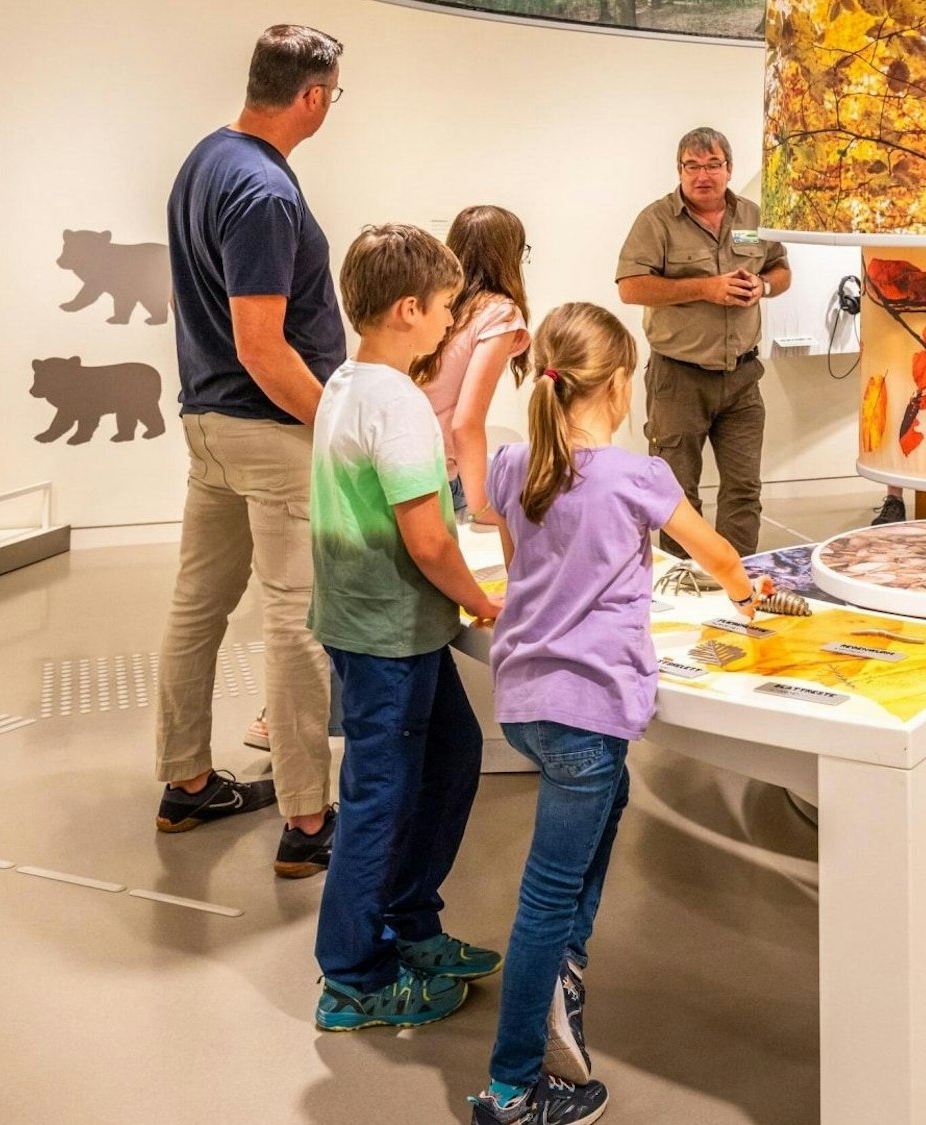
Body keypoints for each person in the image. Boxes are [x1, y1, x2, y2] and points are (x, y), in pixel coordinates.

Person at [467, 303, 766, 1124]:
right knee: (546, 895)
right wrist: (747, 596)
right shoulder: (640, 477)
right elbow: (717, 552)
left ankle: (564, 967)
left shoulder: (512, 464)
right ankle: (513, 1088)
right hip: (585, 711)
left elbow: (522, 566)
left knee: (612, 793)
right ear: (621, 384)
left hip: (526, 700)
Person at [154, 24, 343, 878]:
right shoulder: (265, 190)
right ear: (312, 95)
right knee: (296, 620)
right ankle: (307, 818)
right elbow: (263, 346)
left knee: (197, 606)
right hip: (268, 432)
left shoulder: (206, 160)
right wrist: (335, 423)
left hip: (209, 424)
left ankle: (186, 780)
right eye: (334, 94)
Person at [309, 225, 506, 1028]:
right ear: (409, 309)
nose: (453, 322)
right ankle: (353, 974)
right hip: (386, 633)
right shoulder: (398, 404)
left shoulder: (346, 381)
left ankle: (409, 922)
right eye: (448, 308)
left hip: (377, 623)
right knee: (380, 799)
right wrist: (484, 600)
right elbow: (428, 541)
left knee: (451, 757)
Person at [617, 126, 790, 558]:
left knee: (744, 488)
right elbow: (631, 287)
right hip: (679, 378)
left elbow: (781, 269)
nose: (702, 176)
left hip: (744, 377)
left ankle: (739, 576)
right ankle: (684, 580)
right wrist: (704, 288)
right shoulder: (656, 220)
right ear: (679, 170)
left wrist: (764, 287)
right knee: (676, 494)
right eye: (692, 166)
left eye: (713, 165)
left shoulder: (752, 218)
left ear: (729, 169)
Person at [411, 204, 532, 525]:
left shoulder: (432, 302)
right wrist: (481, 508)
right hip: (439, 477)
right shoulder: (499, 313)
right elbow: (465, 423)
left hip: (403, 467)